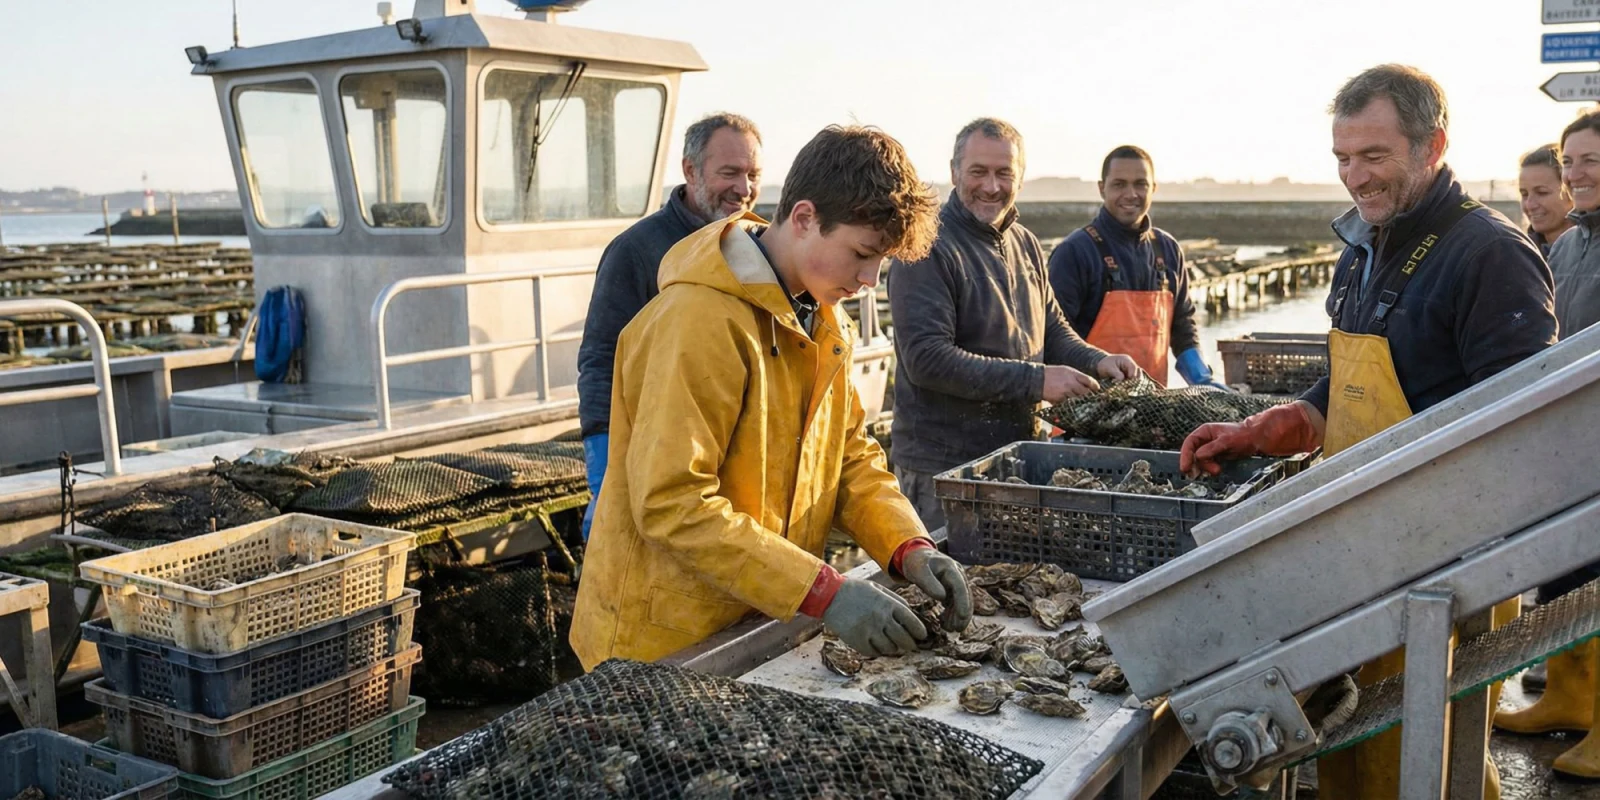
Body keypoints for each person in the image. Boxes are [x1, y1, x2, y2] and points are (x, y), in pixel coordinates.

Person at [1179, 64, 1556, 799]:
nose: (1356, 177)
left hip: (1442, 574)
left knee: (1425, 763)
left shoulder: (1491, 255)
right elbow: (1345, 388)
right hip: (1359, 558)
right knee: (1353, 761)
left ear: (1432, 145)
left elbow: (1527, 436)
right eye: (1343, 159)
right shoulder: (1365, 248)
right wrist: (1267, 428)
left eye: (1374, 156)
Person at [570, 125, 971, 669]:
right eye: (862, 254)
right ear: (804, 218)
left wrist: (907, 544)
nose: (871, 279)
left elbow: (849, 457)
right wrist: (823, 592)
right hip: (661, 649)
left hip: (759, 620)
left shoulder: (824, 322)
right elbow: (672, 503)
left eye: (883, 263)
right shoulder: (700, 321)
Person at [887, 118, 1139, 531]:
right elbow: (927, 360)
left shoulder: (1024, 242)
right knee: (941, 592)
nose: (991, 186)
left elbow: (1053, 331)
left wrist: (1098, 361)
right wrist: (1036, 381)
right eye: (978, 172)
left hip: (1015, 458)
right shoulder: (925, 246)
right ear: (954, 172)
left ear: (1020, 177)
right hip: (942, 471)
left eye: (1004, 173)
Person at [576, 113, 763, 539]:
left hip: (731, 455)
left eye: (754, 174)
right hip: (651, 446)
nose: (745, 189)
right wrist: (605, 464)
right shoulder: (635, 251)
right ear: (690, 170)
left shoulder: (756, 248)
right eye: (730, 172)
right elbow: (601, 359)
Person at [1493, 110, 1600, 779]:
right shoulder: (1568, 244)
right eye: (1571, 161)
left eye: (1592, 159)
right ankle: (1571, 695)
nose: (1577, 173)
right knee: (1567, 575)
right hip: (1572, 443)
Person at [1047, 146, 1224, 389]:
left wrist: (1201, 377)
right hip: (1087, 408)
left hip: (1153, 412)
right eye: (1119, 184)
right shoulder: (1074, 252)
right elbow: (1055, 337)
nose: (1131, 194)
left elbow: (1183, 325)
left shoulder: (1168, 249)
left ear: (1154, 187)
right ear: (1102, 188)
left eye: (1140, 184)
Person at [1520, 143, 1574, 257]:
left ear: (1570, 191)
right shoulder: (1518, 255)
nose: (1530, 205)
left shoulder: (1593, 255)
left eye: (1542, 193)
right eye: (1524, 194)